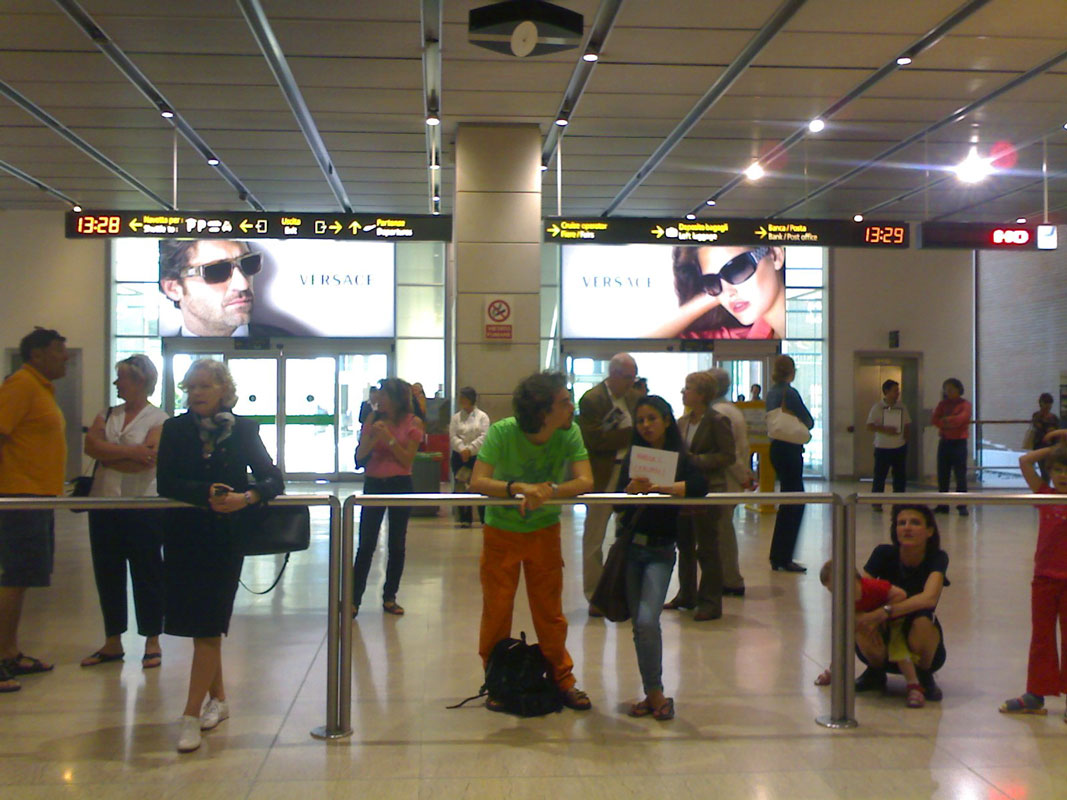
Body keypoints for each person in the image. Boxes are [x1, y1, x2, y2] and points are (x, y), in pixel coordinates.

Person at [156, 359, 284, 752]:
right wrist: (205, 493)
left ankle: (191, 714)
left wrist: (246, 497)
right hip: (183, 536)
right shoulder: (175, 429)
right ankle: (221, 701)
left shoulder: (243, 430)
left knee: (210, 626)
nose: (195, 393)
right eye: (190, 387)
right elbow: (166, 481)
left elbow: (272, 478)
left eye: (204, 387)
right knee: (199, 626)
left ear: (222, 391)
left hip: (225, 539)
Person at [470, 371, 595, 712]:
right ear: (543, 411)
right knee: (497, 610)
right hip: (502, 533)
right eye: (564, 401)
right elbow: (478, 481)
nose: (572, 406)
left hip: (544, 532)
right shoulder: (503, 432)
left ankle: (562, 678)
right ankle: (497, 681)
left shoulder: (569, 433)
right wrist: (518, 488)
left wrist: (550, 491)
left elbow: (585, 480)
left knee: (550, 613)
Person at [617, 395, 707, 721]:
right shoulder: (633, 457)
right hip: (630, 550)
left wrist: (664, 487)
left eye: (652, 419)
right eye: (640, 420)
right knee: (640, 626)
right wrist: (629, 491)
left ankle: (655, 693)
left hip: (660, 550)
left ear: (667, 420)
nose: (646, 426)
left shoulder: (680, 458)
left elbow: (700, 485)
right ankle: (652, 692)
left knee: (645, 620)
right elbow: (615, 502)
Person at [80, 355, 169, 670]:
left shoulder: (159, 418)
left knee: (147, 572)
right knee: (107, 572)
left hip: (143, 505)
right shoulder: (107, 414)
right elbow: (92, 448)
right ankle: (112, 640)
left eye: (122, 378)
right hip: (105, 504)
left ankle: (152, 640)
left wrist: (111, 454)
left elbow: (148, 459)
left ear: (140, 381)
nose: (117, 383)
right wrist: (131, 452)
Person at [0, 328, 68, 694]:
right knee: (11, 579)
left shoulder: (41, 388)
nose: (66, 358)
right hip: (18, 498)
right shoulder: (21, 385)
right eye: (59, 352)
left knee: (21, 578)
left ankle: (9, 651)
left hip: (38, 498)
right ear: (37, 354)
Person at [999, 431, 1067, 715]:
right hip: (1044, 579)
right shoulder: (1045, 494)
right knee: (1041, 636)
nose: (1063, 475)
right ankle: (1035, 694)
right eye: (1058, 469)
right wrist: (1057, 448)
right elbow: (1025, 461)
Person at [855, 504, 949, 703]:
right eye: (901, 523)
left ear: (929, 531)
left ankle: (923, 677)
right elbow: (859, 594)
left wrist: (886, 611)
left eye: (915, 523)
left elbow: (929, 597)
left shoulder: (937, 558)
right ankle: (875, 672)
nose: (907, 528)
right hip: (884, 633)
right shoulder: (883, 553)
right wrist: (870, 617)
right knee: (859, 620)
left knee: (923, 621)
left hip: (918, 636)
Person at [666, 371, 735, 619]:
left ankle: (710, 601)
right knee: (684, 544)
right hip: (684, 490)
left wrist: (696, 460)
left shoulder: (717, 421)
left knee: (707, 547)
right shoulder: (681, 423)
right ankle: (686, 594)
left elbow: (728, 456)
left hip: (709, 489)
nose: (683, 392)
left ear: (702, 394)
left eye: (688, 388)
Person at [352, 378, 423, 617]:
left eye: (383, 395)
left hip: (400, 484)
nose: (378, 399)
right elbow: (360, 455)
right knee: (366, 544)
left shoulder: (413, 423)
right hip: (374, 483)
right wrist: (373, 437)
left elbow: (406, 460)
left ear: (396, 399)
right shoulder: (373, 419)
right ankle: (353, 600)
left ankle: (390, 596)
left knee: (396, 543)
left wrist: (389, 440)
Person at [816, 562, 927, 708]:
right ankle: (834, 669)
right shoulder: (844, 600)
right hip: (870, 625)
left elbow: (901, 595)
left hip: (894, 621)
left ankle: (914, 685)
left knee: (898, 647)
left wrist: (879, 614)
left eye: (836, 589)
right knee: (843, 639)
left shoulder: (872, 587)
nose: (836, 594)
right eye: (831, 591)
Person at [577, 353, 639, 613]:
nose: (631, 383)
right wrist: (631, 435)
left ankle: (623, 589)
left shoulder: (634, 398)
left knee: (627, 533)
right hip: (603, 474)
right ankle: (594, 595)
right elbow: (596, 441)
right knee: (594, 536)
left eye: (634, 378)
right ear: (613, 374)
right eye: (627, 378)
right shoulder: (592, 400)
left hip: (631, 473)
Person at [158, 239, 291, 337]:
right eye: (217, 271)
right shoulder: (154, 351)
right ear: (173, 289)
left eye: (249, 263)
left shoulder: (290, 346)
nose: (243, 284)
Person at [648, 246, 786, 339]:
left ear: (775, 256)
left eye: (737, 270)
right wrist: (714, 293)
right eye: (711, 281)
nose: (727, 292)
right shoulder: (744, 340)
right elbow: (643, 343)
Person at [766, 355, 814, 572]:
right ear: (791, 372)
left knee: (788, 500)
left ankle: (778, 556)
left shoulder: (771, 392)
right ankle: (784, 557)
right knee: (795, 501)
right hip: (790, 450)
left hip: (776, 447)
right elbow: (809, 420)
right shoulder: (789, 392)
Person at [708, 367, 753, 596]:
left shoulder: (717, 413)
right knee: (723, 531)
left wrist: (742, 475)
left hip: (724, 480)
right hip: (732, 479)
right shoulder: (731, 409)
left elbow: (729, 453)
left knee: (722, 532)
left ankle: (731, 579)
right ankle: (727, 576)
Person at [866, 379, 912, 511]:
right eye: (894, 391)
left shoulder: (902, 406)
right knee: (880, 476)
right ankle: (876, 502)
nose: (897, 393)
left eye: (898, 391)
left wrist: (906, 438)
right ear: (886, 391)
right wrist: (885, 429)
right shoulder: (877, 407)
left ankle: (899, 501)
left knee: (900, 476)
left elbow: (908, 423)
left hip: (899, 446)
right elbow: (869, 426)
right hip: (882, 447)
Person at [449, 386, 490, 526]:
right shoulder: (456, 418)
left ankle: (484, 518)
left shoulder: (482, 417)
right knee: (461, 487)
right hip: (459, 457)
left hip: (477, 457)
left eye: (464, 397)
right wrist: (462, 449)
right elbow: (453, 436)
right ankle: (465, 519)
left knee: (479, 486)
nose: (461, 400)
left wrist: (470, 450)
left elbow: (484, 436)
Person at [932, 378, 972, 516]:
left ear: (958, 389)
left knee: (960, 474)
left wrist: (946, 420)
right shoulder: (942, 404)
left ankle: (962, 505)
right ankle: (943, 504)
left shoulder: (965, 404)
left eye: (951, 389)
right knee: (943, 474)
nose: (948, 392)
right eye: (946, 390)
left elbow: (962, 419)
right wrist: (950, 422)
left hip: (959, 443)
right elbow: (935, 419)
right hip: (945, 442)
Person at [1028, 393, 1061, 484]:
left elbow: (1057, 432)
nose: (1048, 406)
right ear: (1040, 403)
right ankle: (1044, 491)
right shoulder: (1037, 416)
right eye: (1045, 403)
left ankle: (1045, 490)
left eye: (1049, 403)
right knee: (1044, 470)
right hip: (1040, 447)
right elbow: (1039, 428)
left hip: (1052, 447)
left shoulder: (1054, 418)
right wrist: (1050, 431)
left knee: (1049, 470)